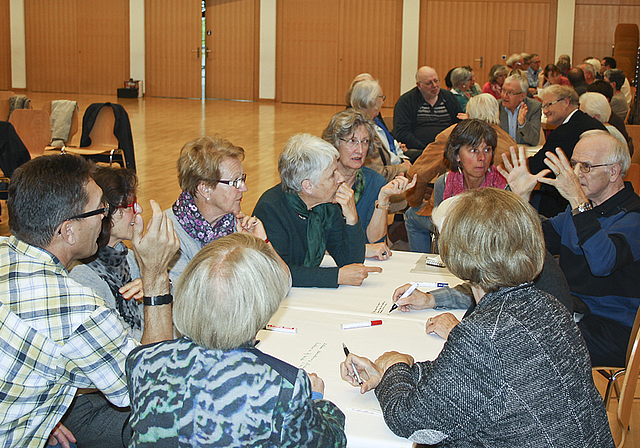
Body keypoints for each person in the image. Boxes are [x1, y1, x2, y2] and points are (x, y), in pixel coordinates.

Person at [340, 188, 613, 447]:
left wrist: (394, 368)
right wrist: (408, 371)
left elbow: (410, 422)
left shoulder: (486, 335)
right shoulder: (544, 305)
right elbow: (466, 378)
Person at [0, 154, 178, 448]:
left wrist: (35, 409)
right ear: (68, 231)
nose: (104, 218)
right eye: (100, 210)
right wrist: (156, 274)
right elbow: (152, 383)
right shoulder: (77, 310)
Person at [126, 233, 347, 447]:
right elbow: (331, 440)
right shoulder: (280, 387)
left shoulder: (141, 361)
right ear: (262, 308)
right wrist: (316, 399)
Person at [500, 131, 640, 367]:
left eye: (585, 167)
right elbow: (533, 241)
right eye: (573, 164)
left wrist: (577, 200)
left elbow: (602, 263)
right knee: (502, 325)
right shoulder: (580, 211)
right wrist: (521, 199)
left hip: (613, 329)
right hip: (571, 314)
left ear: (614, 171)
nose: (574, 174)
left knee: (518, 345)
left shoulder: (633, 216)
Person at [253, 133, 377, 288]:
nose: (341, 178)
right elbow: (277, 271)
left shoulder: (327, 204)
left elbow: (351, 263)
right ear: (308, 186)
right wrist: (335, 276)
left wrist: (352, 218)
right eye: (333, 174)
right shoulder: (271, 209)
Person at [404, 95, 516, 253]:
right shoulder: (509, 140)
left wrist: (414, 201)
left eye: (487, 150)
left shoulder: (452, 135)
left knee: (411, 215)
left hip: (491, 247)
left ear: (468, 114)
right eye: (473, 150)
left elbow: (420, 172)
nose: (481, 158)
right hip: (456, 247)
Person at [167, 135, 267, 282]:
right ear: (205, 189)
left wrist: (261, 244)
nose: (244, 188)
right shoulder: (169, 234)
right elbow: (183, 298)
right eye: (235, 182)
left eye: (242, 179)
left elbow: (282, 283)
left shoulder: (236, 226)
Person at [322, 109, 416, 249]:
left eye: (365, 142)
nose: (360, 150)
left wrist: (383, 198)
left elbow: (375, 241)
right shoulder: (319, 181)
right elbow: (313, 246)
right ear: (334, 143)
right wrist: (364, 251)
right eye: (352, 141)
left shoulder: (375, 182)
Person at [70, 166, 145, 341]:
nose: (139, 210)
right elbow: (126, 343)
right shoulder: (82, 275)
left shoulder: (128, 257)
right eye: (128, 206)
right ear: (103, 214)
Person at [528, 85, 606, 217]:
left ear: (565, 103)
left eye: (548, 105)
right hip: (599, 198)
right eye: (543, 107)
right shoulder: (591, 123)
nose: (545, 111)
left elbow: (536, 167)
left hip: (565, 205)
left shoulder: (564, 132)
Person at [393, 66, 462, 152]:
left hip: (448, 148)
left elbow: (460, 123)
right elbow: (402, 132)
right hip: (419, 150)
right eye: (429, 83)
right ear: (419, 85)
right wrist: (425, 149)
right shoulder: (406, 101)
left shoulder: (449, 98)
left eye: (436, 81)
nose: (435, 85)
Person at [349, 79, 416, 168]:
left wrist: (402, 157)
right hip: (387, 168)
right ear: (372, 100)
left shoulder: (375, 120)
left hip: (396, 159)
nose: (383, 102)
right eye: (381, 97)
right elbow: (382, 159)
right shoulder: (361, 126)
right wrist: (402, 163)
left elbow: (390, 142)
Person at [498, 72, 542, 145]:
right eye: (504, 90)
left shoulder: (534, 107)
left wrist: (523, 124)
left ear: (522, 96)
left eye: (511, 92)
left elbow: (534, 140)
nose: (505, 96)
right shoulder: (496, 106)